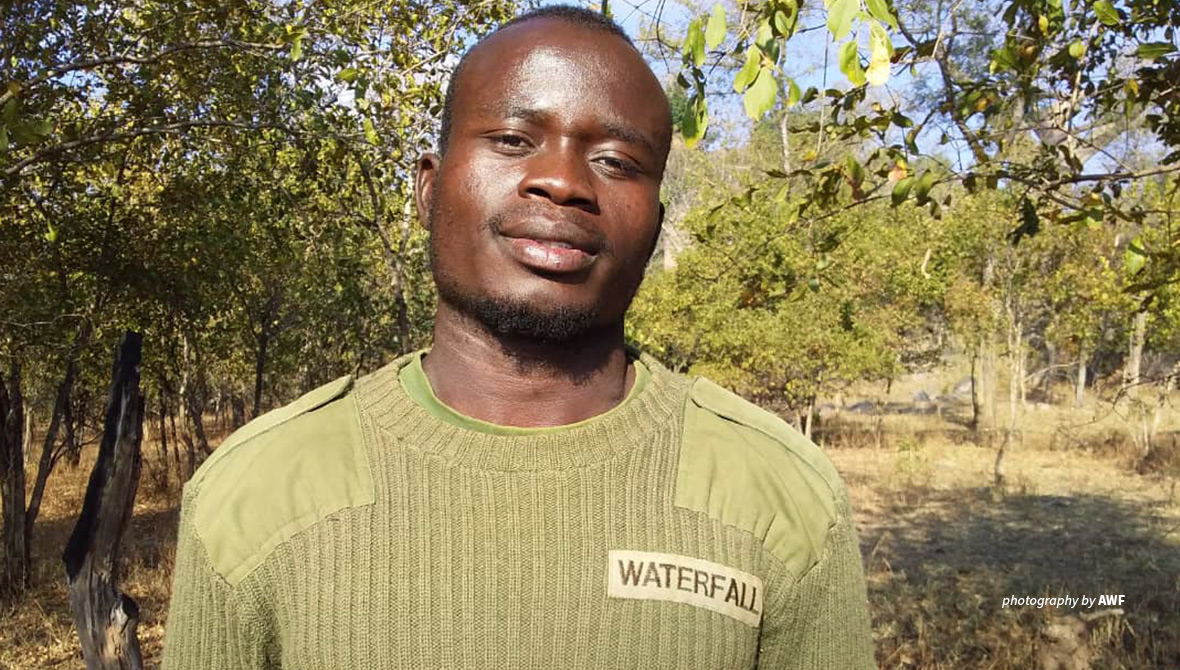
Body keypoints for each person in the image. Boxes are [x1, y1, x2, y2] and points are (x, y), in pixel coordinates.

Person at [162, 6, 876, 669]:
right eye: (512, 140)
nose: (562, 182)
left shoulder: (781, 497)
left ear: (654, 229)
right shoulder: (254, 495)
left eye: (617, 163)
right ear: (428, 190)